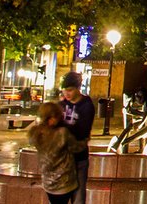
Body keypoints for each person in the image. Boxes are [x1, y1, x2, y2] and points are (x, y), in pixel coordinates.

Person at [27, 101, 79, 204]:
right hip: (64, 182)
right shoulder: (62, 133)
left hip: (47, 182)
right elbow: (76, 147)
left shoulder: (36, 134)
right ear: (52, 118)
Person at [58, 72, 96, 204]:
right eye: (64, 90)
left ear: (77, 88)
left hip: (79, 157)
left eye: (70, 90)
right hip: (62, 158)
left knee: (78, 195)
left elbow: (83, 131)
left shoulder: (86, 105)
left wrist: (62, 131)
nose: (66, 93)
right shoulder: (61, 105)